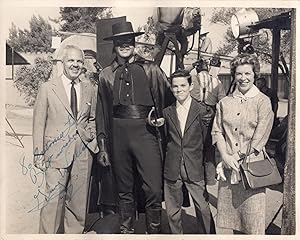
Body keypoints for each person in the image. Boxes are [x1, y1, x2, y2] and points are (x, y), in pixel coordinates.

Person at [95, 21, 173, 234]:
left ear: (134, 42)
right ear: (114, 45)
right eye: (120, 41)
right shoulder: (106, 75)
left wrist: (162, 119)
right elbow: (101, 113)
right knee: (124, 189)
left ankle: (154, 232)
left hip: (146, 134)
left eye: (128, 40)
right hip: (118, 137)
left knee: (154, 189)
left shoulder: (151, 69)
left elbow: (169, 102)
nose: (124, 45)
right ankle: (126, 231)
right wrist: (103, 146)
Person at [32, 45, 99, 233]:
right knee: (54, 199)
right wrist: (38, 151)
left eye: (79, 61)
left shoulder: (89, 88)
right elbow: (38, 122)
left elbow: (92, 117)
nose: (75, 65)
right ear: (63, 62)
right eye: (71, 60)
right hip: (56, 151)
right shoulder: (47, 88)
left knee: (78, 201)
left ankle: (74, 234)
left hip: (83, 152)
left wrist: (90, 137)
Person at [211, 53, 274, 234]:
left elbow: (259, 139)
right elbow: (217, 131)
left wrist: (235, 157)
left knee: (253, 223)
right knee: (234, 223)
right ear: (234, 75)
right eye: (239, 74)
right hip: (229, 169)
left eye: (247, 73)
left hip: (252, 170)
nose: (243, 78)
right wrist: (225, 156)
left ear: (255, 74)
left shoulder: (263, 102)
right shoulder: (224, 103)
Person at [163, 70, 216, 234]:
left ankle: (208, 235)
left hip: (195, 168)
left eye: (183, 85)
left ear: (191, 86)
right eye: (175, 86)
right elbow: (165, 140)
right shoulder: (167, 112)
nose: (179, 90)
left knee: (203, 208)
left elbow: (208, 145)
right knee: (172, 212)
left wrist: (209, 172)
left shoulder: (203, 111)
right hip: (172, 167)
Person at [190, 58, 226, 185]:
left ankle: (195, 177)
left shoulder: (192, 79)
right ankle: (210, 179)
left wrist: (191, 66)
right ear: (208, 69)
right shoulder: (216, 81)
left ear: (197, 68)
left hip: (194, 112)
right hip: (210, 113)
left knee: (194, 146)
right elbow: (222, 101)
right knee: (209, 147)